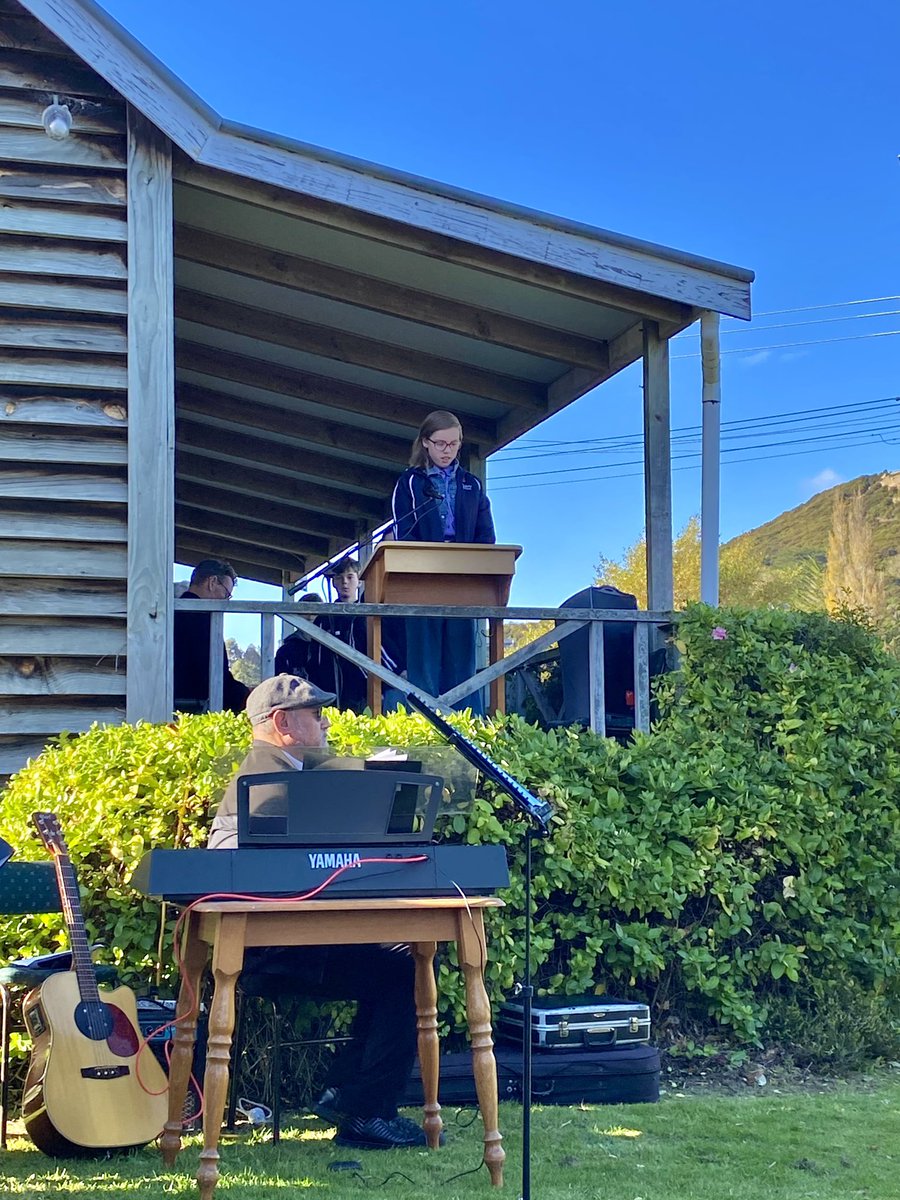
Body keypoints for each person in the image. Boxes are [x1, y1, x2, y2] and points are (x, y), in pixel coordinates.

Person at [207, 674, 426, 1150]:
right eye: (315, 714)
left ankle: (349, 1094)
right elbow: (245, 871)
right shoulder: (268, 780)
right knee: (403, 973)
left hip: (293, 943)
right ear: (283, 722)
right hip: (279, 952)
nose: (326, 723)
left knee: (396, 966)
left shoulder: (285, 774)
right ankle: (363, 1108)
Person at [391, 410, 495, 714]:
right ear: (425, 442)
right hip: (422, 585)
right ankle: (424, 731)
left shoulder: (472, 485)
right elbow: (403, 533)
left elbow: (486, 537)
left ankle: (468, 732)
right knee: (423, 668)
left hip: (462, 584)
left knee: (462, 667)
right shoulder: (409, 483)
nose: (447, 451)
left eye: (454, 444)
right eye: (440, 443)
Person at [276, 561, 405, 713]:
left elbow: (382, 651)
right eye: (339, 578)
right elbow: (314, 661)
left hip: (364, 694)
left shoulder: (367, 616)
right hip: (330, 697)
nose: (345, 582)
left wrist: (390, 680)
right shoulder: (323, 621)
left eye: (350, 577)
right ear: (333, 583)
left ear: (359, 581)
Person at [173, 559, 250, 715]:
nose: (225, 601)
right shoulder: (200, 619)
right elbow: (214, 675)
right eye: (226, 594)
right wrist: (248, 696)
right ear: (212, 582)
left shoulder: (174, 613)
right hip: (194, 709)